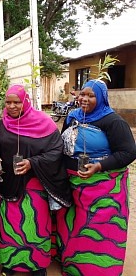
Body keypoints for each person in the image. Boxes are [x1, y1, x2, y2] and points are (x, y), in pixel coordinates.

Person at [0, 84, 72, 276]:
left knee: (34, 224)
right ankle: (10, 263)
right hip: (8, 184)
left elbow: (56, 151)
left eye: (16, 102)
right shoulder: (2, 125)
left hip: (34, 186)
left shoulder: (45, 123)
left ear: (25, 102)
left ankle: (37, 265)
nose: (12, 106)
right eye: (8, 102)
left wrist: (32, 163)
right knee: (10, 225)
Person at [56, 79, 136, 275]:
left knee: (96, 228)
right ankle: (72, 264)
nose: (84, 99)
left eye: (91, 96)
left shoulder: (113, 121)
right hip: (72, 182)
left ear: (101, 98)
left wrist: (99, 166)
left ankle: (96, 269)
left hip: (102, 188)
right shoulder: (73, 116)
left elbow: (128, 153)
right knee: (74, 224)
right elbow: (61, 143)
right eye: (82, 94)